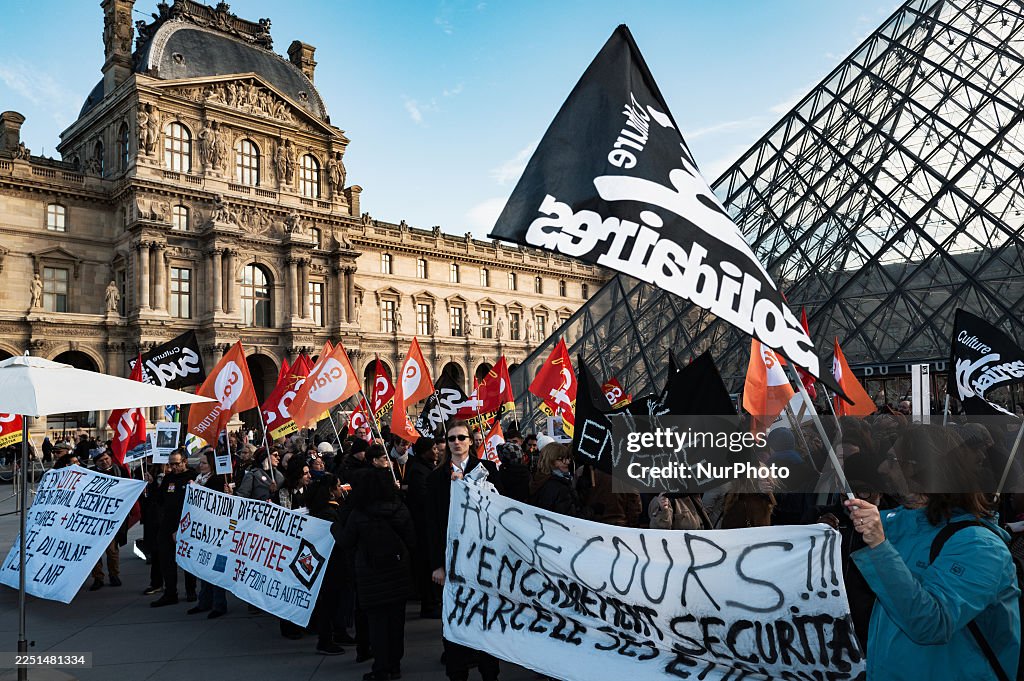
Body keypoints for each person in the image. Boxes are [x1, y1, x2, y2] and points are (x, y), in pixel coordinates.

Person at [847, 432, 1021, 680]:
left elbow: (931, 624)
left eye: (892, 460)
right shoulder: (900, 524)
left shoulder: (980, 546)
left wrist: (879, 545)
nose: (882, 468)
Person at [427, 420, 502, 681]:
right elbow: (431, 523)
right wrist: (437, 564)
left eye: (461, 437)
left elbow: (500, 511)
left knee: (485, 617)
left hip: (483, 557)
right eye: (451, 438)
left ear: (471, 440)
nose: (457, 442)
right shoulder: (436, 477)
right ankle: (457, 672)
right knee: (455, 617)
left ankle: (490, 672)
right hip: (452, 559)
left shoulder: (488, 469)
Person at [339, 464, 416, 680]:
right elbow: (412, 540)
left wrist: (335, 529)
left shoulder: (359, 513)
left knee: (377, 625)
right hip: (398, 572)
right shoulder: (399, 509)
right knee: (396, 622)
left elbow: (346, 541)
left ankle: (380, 668)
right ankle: (394, 665)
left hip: (370, 574)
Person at [307, 473, 347, 656]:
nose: (341, 489)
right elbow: (339, 538)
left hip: (331, 564)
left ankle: (338, 633)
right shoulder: (328, 513)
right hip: (332, 565)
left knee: (335, 601)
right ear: (331, 491)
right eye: (338, 486)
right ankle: (325, 640)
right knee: (329, 603)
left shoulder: (324, 509)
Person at [151, 449, 197, 607]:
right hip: (167, 525)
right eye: (170, 464)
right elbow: (159, 499)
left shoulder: (193, 477)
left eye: (176, 464)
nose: (173, 467)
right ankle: (170, 593)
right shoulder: (168, 478)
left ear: (185, 462)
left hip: (186, 525)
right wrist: (152, 484)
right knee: (166, 561)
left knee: (187, 560)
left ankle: (191, 591)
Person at [187, 450, 230, 619]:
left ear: (212, 465)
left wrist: (198, 490)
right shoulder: (199, 479)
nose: (200, 465)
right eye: (200, 462)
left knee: (216, 568)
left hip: (217, 531)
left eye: (204, 463)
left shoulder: (218, 480)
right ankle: (204, 601)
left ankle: (219, 604)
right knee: (203, 566)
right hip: (201, 531)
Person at [405, 436, 440, 618]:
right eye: (433, 449)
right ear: (425, 452)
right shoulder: (418, 471)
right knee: (426, 566)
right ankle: (429, 604)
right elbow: (422, 498)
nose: (436, 451)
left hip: (429, 525)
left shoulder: (428, 468)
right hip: (423, 527)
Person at [88, 449, 128, 590]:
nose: (105, 462)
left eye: (106, 459)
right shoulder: (90, 473)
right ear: (96, 463)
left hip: (113, 517)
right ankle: (98, 577)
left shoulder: (120, 471)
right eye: (101, 460)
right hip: (94, 518)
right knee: (94, 550)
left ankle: (114, 575)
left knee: (112, 550)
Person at [529, 443, 586, 517]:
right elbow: (570, 518)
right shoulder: (560, 487)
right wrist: (591, 510)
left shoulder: (539, 478)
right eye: (562, 459)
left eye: (567, 458)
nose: (567, 462)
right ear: (550, 461)